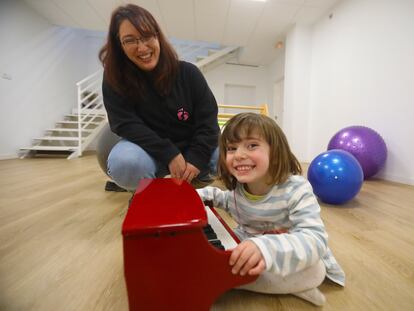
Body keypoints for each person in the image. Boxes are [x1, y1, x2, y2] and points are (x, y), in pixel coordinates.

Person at [197, 113, 345, 306]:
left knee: (316, 271)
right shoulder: (238, 191)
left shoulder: (297, 189)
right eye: (231, 148)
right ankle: (289, 286)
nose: (239, 154)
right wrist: (193, 195)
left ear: (275, 153)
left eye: (252, 145)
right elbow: (221, 198)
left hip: (290, 251)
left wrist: (265, 247)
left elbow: (315, 239)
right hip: (248, 245)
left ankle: (234, 280)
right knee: (210, 252)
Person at [99, 4, 219, 191]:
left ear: (158, 36)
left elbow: (208, 122)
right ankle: (147, 192)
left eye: (147, 37)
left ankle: (190, 189)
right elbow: (123, 123)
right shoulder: (114, 78)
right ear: (119, 45)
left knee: (221, 156)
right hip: (147, 151)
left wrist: (195, 159)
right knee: (124, 163)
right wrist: (169, 154)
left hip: (190, 150)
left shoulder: (189, 73)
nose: (142, 48)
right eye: (130, 40)